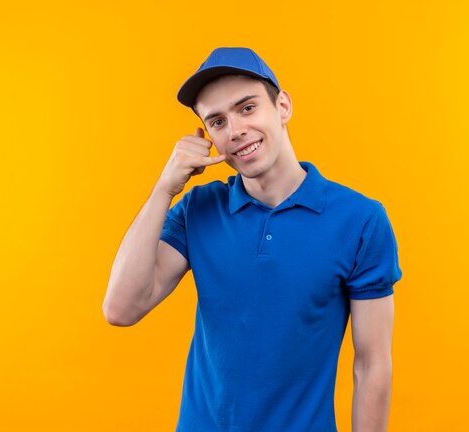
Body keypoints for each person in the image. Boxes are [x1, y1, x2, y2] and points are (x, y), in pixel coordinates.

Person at [103, 47, 403, 432]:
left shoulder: (360, 220)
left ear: (283, 106)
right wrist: (164, 189)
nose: (235, 131)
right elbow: (121, 309)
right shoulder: (198, 209)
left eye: (247, 108)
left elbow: (372, 365)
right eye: (217, 122)